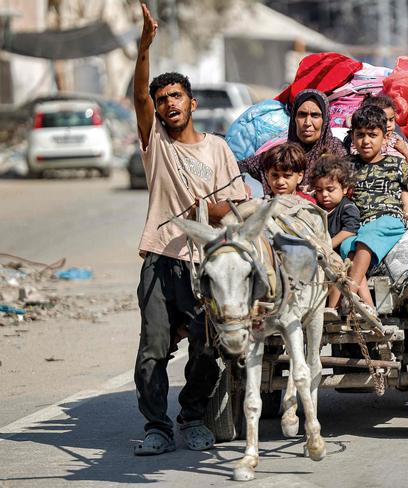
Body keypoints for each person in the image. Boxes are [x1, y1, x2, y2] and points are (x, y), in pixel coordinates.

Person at [132, 4, 247, 455]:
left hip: (209, 265)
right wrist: (144, 47)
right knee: (153, 351)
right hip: (163, 259)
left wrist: (210, 209)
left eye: (176, 96)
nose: (168, 104)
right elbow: (138, 96)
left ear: (191, 103)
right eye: (162, 100)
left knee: (208, 347)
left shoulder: (218, 149)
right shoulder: (154, 145)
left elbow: (234, 209)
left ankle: (192, 416)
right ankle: (157, 427)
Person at [341, 105, 408, 312]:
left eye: (372, 135)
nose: (366, 141)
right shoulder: (347, 165)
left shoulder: (396, 164)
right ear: (352, 138)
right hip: (360, 223)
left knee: (367, 238)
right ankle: (368, 308)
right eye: (360, 135)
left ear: (385, 138)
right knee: (347, 247)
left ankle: (350, 292)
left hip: (388, 219)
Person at [238, 89, 347, 194]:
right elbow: (240, 166)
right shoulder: (283, 153)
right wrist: (242, 183)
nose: (307, 122)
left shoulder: (336, 151)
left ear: (325, 120)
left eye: (315, 115)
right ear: (294, 119)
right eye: (302, 115)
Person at [359, 95, 408, 223]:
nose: (388, 125)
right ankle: (407, 210)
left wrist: (404, 151)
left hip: (402, 177)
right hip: (378, 180)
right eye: (384, 121)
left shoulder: (398, 140)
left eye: (391, 120)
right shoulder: (367, 141)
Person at [310, 156, 361, 315]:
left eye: (330, 189)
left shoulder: (347, 207)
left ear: (345, 188)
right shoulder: (316, 209)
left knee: (336, 272)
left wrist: (327, 245)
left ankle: (331, 309)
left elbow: (350, 230)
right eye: (319, 190)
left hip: (340, 256)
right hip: (321, 255)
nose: (324, 195)